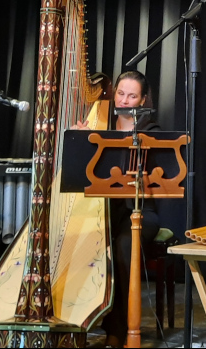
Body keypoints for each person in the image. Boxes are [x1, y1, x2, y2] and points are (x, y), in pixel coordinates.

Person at [72, 70, 161, 348]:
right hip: (104, 211)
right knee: (79, 240)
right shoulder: (98, 127)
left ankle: (118, 330)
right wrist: (78, 143)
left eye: (132, 95)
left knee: (123, 246)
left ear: (143, 99)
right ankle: (77, 322)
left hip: (140, 212)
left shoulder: (151, 132)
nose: (124, 101)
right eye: (120, 94)